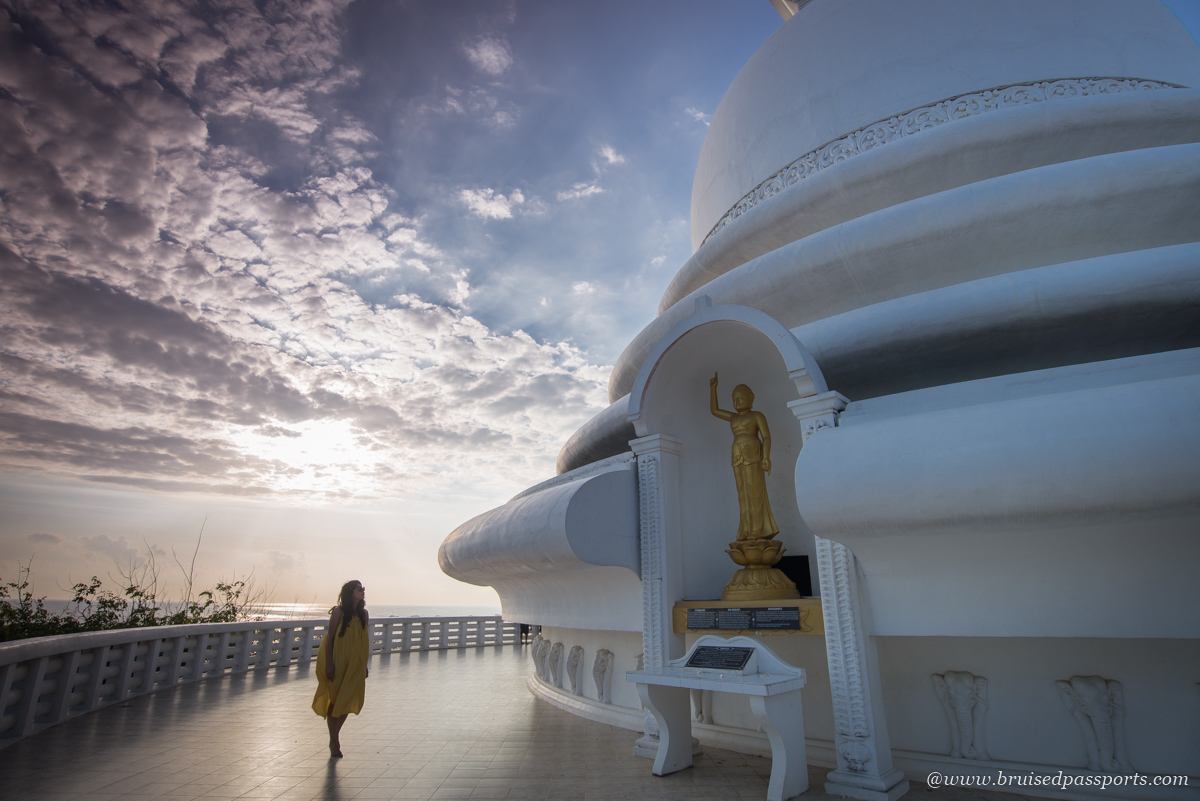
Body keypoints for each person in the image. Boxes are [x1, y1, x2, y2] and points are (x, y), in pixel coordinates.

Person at [710, 372, 779, 541]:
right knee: (742, 493)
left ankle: (758, 529)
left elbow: (767, 436)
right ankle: (745, 529)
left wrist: (766, 457)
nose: (737, 401)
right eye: (735, 398)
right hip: (737, 454)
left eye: (741, 397)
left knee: (754, 490)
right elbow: (714, 410)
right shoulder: (733, 417)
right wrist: (713, 389)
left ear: (750, 398)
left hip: (753, 453)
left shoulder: (756, 416)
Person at [311, 580, 369, 757]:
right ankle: (334, 740)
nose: (363, 592)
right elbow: (330, 640)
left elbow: (364, 642)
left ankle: (334, 738)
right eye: (360, 589)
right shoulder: (339, 612)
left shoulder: (364, 614)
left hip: (354, 664)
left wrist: (364, 665)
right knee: (335, 699)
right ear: (350, 592)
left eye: (363, 589)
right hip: (338, 661)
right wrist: (329, 664)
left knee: (347, 699)